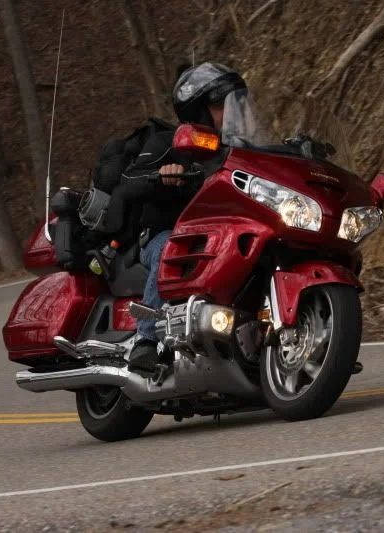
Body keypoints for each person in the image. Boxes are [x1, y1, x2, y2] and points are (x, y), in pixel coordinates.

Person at [128, 62, 251, 376]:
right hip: (163, 234)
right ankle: (145, 340)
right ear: (198, 111)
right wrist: (161, 174)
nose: (231, 111)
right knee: (170, 247)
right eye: (221, 105)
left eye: (235, 103)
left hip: (214, 235)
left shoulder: (239, 151)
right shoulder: (167, 142)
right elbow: (132, 177)